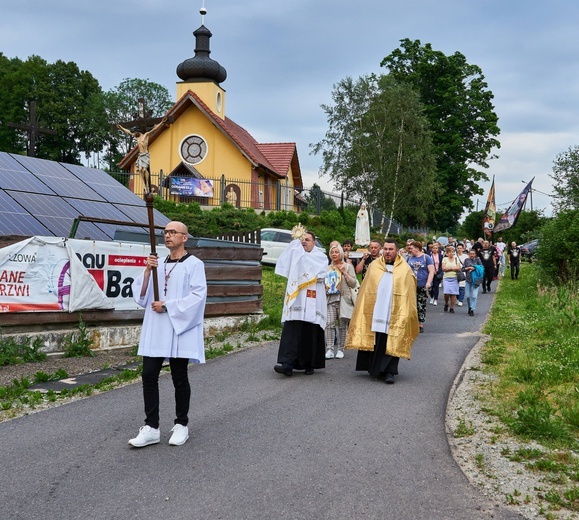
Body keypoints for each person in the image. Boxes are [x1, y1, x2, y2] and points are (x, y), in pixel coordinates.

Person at [129, 221, 207, 448]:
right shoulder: (158, 264)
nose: (167, 236)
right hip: (157, 328)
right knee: (148, 375)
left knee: (179, 376)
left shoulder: (194, 265)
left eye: (173, 232)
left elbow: (198, 297)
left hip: (178, 327)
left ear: (185, 238)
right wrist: (146, 272)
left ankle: (181, 424)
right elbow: (142, 297)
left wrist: (168, 306)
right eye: (165, 232)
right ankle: (151, 427)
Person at [345, 239, 419, 384]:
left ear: (397, 250)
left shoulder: (405, 269)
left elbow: (409, 293)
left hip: (395, 311)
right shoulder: (374, 266)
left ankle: (389, 371)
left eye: (391, 249)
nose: (387, 252)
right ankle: (375, 369)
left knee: (392, 339)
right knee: (376, 338)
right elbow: (366, 289)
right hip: (376, 310)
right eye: (385, 249)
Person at [274, 230, 328, 376]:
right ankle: (287, 364)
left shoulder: (321, 257)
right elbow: (287, 258)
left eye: (307, 239)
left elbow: (321, 274)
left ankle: (310, 364)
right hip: (297, 298)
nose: (304, 242)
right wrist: (295, 244)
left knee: (310, 331)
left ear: (314, 242)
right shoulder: (296, 255)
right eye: (302, 240)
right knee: (292, 330)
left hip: (313, 297)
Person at [117, 117, 168, 193]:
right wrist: (121, 128)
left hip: (146, 155)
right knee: (140, 170)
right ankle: (144, 186)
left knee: (144, 169)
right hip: (140, 155)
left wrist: (162, 122)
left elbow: (155, 129)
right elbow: (128, 132)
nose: (134, 134)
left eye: (135, 132)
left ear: (138, 131)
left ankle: (147, 184)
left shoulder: (146, 135)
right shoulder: (137, 138)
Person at [325, 244, 358, 359]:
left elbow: (353, 283)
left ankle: (341, 349)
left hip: (343, 299)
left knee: (342, 325)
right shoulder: (328, 267)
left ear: (341, 253)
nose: (334, 254)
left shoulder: (348, 266)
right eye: (332, 252)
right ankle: (329, 349)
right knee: (329, 323)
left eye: (336, 252)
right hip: (330, 299)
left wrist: (345, 272)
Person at [406, 241, 434, 333]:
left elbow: (431, 271)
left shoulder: (426, 258)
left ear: (417, 248)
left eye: (412, 248)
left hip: (422, 285)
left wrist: (428, 282)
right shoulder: (409, 258)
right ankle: (412, 322)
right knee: (411, 304)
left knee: (421, 304)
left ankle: (420, 323)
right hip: (411, 285)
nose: (410, 250)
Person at [463, 249, 483, 316]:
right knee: (468, 296)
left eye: (473, 254)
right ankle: (469, 306)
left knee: (474, 296)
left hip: (476, 281)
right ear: (469, 254)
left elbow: (482, 267)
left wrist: (474, 268)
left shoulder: (478, 260)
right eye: (470, 254)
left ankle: (472, 309)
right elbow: (463, 269)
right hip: (468, 280)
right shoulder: (466, 260)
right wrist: (468, 268)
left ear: (475, 254)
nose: (472, 255)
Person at [442, 245, 460, 313]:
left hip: (455, 278)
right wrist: (453, 269)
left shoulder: (456, 259)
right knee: (446, 293)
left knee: (453, 293)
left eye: (452, 252)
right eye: (449, 252)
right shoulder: (444, 259)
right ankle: (446, 303)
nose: (451, 253)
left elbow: (458, 268)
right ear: (447, 253)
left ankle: (451, 307)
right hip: (446, 278)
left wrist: (449, 269)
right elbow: (443, 268)